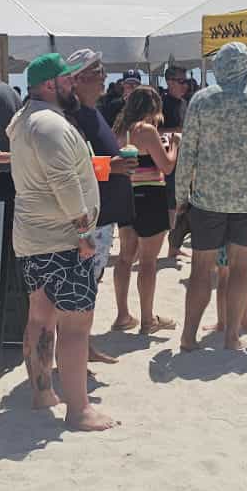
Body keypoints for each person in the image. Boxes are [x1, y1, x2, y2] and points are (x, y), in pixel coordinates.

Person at [7, 53, 113, 430]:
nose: (73, 84)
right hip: (63, 239)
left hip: (34, 237)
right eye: (67, 79)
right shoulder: (48, 124)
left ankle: (41, 394)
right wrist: (84, 233)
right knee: (76, 325)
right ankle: (78, 409)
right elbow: (64, 183)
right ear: (51, 85)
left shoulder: (22, 121)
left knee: (40, 316)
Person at [175, 42, 247, 352]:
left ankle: (188, 337)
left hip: (207, 197)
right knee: (239, 268)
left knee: (200, 269)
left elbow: (188, 153)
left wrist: (182, 194)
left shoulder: (201, 101)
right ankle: (232, 337)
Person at [63, 49, 137, 363]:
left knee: (90, 286)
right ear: (78, 79)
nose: (104, 76)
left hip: (102, 216)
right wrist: (112, 166)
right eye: (98, 71)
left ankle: (85, 348)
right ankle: (78, 351)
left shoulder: (92, 111)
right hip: (90, 218)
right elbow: (67, 168)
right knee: (82, 288)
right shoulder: (73, 115)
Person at [112, 86, 178, 334]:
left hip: (126, 196)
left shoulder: (119, 131)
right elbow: (167, 166)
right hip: (150, 196)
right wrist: (174, 146)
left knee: (125, 257)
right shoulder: (147, 130)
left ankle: (122, 315)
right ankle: (148, 320)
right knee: (149, 261)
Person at [160, 65, 189, 255]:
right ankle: (169, 246)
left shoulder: (183, 103)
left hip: (183, 159)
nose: (185, 85)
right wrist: (177, 131)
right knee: (171, 204)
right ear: (169, 82)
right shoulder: (162, 104)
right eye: (181, 81)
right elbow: (152, 131)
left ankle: (174, 246)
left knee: (180, 203)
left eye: (186, 81)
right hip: (167, 160)